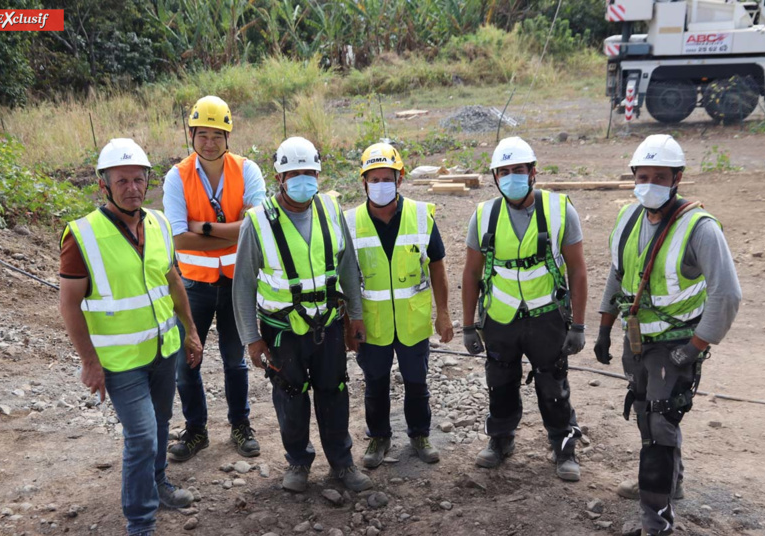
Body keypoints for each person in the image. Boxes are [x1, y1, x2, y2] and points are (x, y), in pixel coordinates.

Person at [594, 134, 741, 536]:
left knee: (660, 423)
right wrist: (605, 328)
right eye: (643, 176)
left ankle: (654, 518)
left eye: (661, 176)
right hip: (637, 340)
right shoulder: (628, 218)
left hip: (676, 345)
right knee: (646, 416)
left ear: (677, 178)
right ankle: (669, 482)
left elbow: (727, 293)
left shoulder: (700, 228)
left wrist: (696, 347)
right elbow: (617, 273)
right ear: (633, 177)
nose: (650, 183)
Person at [59, 138, 203, 536]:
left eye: (139, 179)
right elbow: (69, 304)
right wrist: (89, 362)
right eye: (122, 180)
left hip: (163, 349)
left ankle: (157, 483)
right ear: (104, 185)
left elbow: (173, 281)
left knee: (159, 424)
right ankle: (140, 522)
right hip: (120, 362)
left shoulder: (157, 224)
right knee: (141, 437)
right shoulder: (81, 236)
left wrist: (190, 330)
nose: (132, 188)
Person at [232, 136, 373, 493]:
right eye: (294, 173)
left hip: (326, 324)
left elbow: (347, 269)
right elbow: (243, 286)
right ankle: (297, 462)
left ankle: (342, 464)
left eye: (309, 172)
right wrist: (252, 338)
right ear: (278, 177)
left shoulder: (329, 209)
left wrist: (355, 317)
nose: (303, 180)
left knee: (335, 392)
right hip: (282, 330)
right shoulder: (258, 221)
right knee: (291, 395)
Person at [461, 136, 588, 481]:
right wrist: (468, 326)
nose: (511, 177)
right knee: (500, 382)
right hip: (501, 319)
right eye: (504, 172)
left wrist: (578, 325)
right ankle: (500, 441)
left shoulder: (561, 210)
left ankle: (564, 449)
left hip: (547, 317)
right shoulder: (483, 216)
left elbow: (577, 270)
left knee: (553, 384)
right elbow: (471, 273)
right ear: (495, 177)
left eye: (518, 170)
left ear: (534, 172)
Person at [162, 96, 266, 461]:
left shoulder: (247, 170)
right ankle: (196, 430)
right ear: (191, 134)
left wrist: (202, 227)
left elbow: (257, 227)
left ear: (228, 136)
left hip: (238, 282)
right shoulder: (177, 176)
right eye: (202, 134)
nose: (209, 142)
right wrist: (233, 230)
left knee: (235, 360)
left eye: (217, 134)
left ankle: (240, 424)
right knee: (186, 360)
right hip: (193, 285)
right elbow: (177, 237)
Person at [344, 142, 453, 468]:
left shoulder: (421, 216)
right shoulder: (349, 223)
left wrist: (444, 312)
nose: (380, 185)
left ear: (400, 178)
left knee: (417, 382)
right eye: (373, 179)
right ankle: (379, 437)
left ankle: (419, 434)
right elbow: (345, 277)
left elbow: (437, 265)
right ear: (364, 182)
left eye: (386, 178)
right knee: (374, 383)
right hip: (371, 323)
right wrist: (349, 322)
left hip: (412, 320)